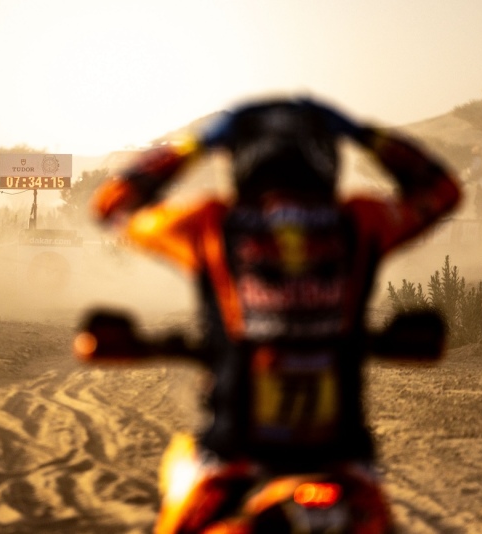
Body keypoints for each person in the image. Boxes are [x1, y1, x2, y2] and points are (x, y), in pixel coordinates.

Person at [90, 97, 461, 532]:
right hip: (342, 463)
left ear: (240, 162)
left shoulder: (211, 224)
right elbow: (441, 192)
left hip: (233, 459)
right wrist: (365, 134)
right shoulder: (360, 221)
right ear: (327, 159)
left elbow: (115, 204)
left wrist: (193, 146)